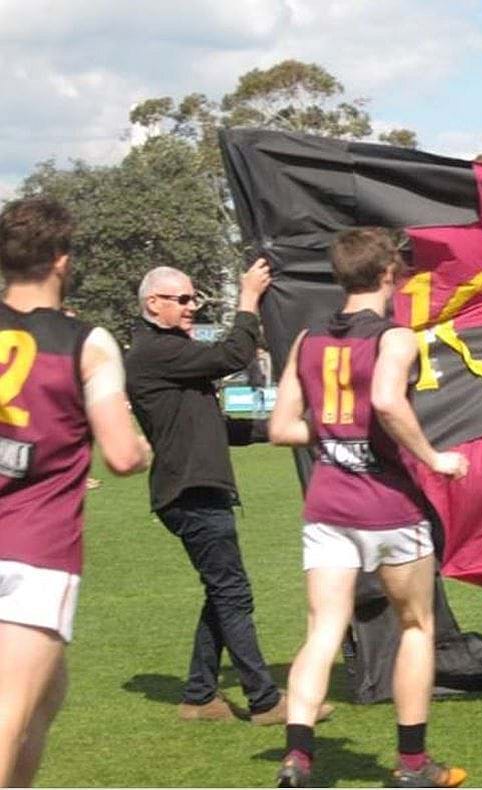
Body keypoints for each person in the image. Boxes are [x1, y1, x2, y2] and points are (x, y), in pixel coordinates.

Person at [269, 228, 469, 787]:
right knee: (415, 625)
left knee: (322, 630)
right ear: (388, 274)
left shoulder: (306, 339)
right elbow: (385, 400)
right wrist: (434, 458)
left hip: (328, 504)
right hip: (388, 506)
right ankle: (412, 765)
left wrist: (335, 434)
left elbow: (282, 427)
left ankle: (298, 758)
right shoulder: (396, 338)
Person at [0, 197, 151, 785]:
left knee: (47, 696)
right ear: (62, 261)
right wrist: (142, 448)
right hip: (34, 548)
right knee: (12, 711)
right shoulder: (86, 342)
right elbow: (119, 454)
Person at [125, 259, 305, 724]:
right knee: (233, 594)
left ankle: (200, 697)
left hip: (196, 490)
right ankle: (265, 700)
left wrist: (281, 430)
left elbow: (215, 427)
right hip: (191, 493)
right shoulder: (154, 352)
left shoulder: (169, 353)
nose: (191, 308)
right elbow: (231, 355)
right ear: (153, 304)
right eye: (182, 300)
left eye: (193, 299)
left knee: (222, 592)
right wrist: (248, 299)